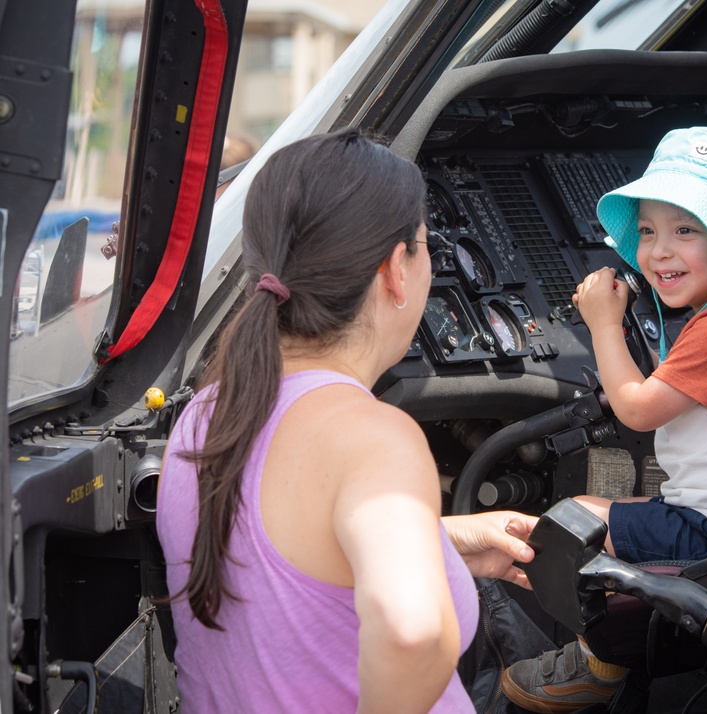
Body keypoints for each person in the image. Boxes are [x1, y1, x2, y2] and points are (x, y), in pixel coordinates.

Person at [156, 128, 538, 713]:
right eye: (426, 245)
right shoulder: (375, 438)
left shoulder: (209, 412)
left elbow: (284, 575)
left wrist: (444, 542)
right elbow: (414, 634)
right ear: (395, 270)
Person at [500, 126, 707, 712]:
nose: (658, 251)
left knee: (568, 522)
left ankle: (601, 662)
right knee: (603, 514)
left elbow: (635, 408)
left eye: (686, 230)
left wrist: (604, 323)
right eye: (648, 231)